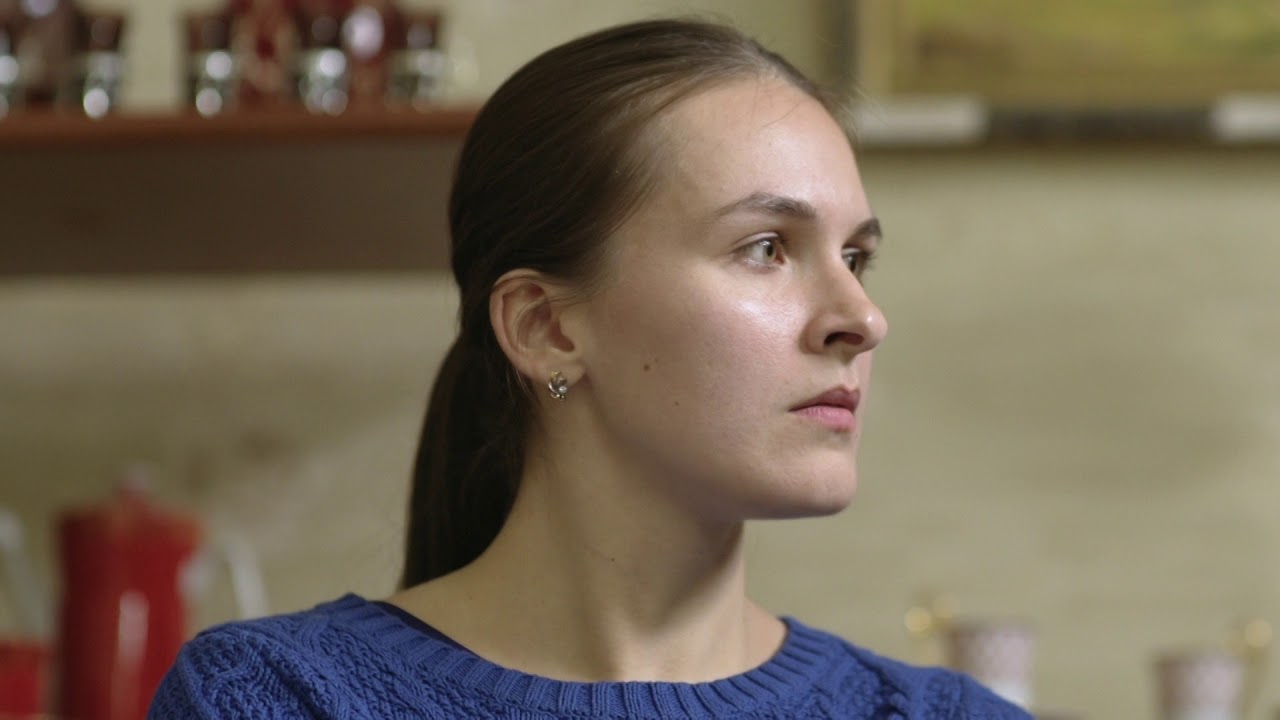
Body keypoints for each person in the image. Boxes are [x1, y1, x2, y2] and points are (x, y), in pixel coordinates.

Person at [149, 18, 1031, 719]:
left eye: (857, 258)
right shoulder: (271, 700)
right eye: (766, 247)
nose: (862, 319)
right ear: (546, 329)